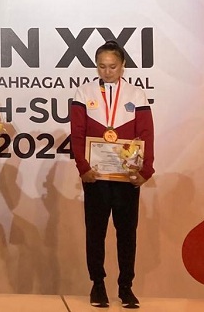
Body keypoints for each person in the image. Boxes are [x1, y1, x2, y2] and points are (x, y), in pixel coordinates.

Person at [70, 40, 155, 309]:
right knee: (95, 232)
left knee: (127, 233)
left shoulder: (136, 94)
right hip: (96, 177)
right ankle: (98, 285)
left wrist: (146, 170)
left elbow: (146, 134)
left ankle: (126, 287)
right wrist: (83, 167)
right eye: (102, 66)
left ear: (123, 66)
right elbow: (77, 133)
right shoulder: (83, 92)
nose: (107, 71)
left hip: (126, 177)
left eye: (113, 66)